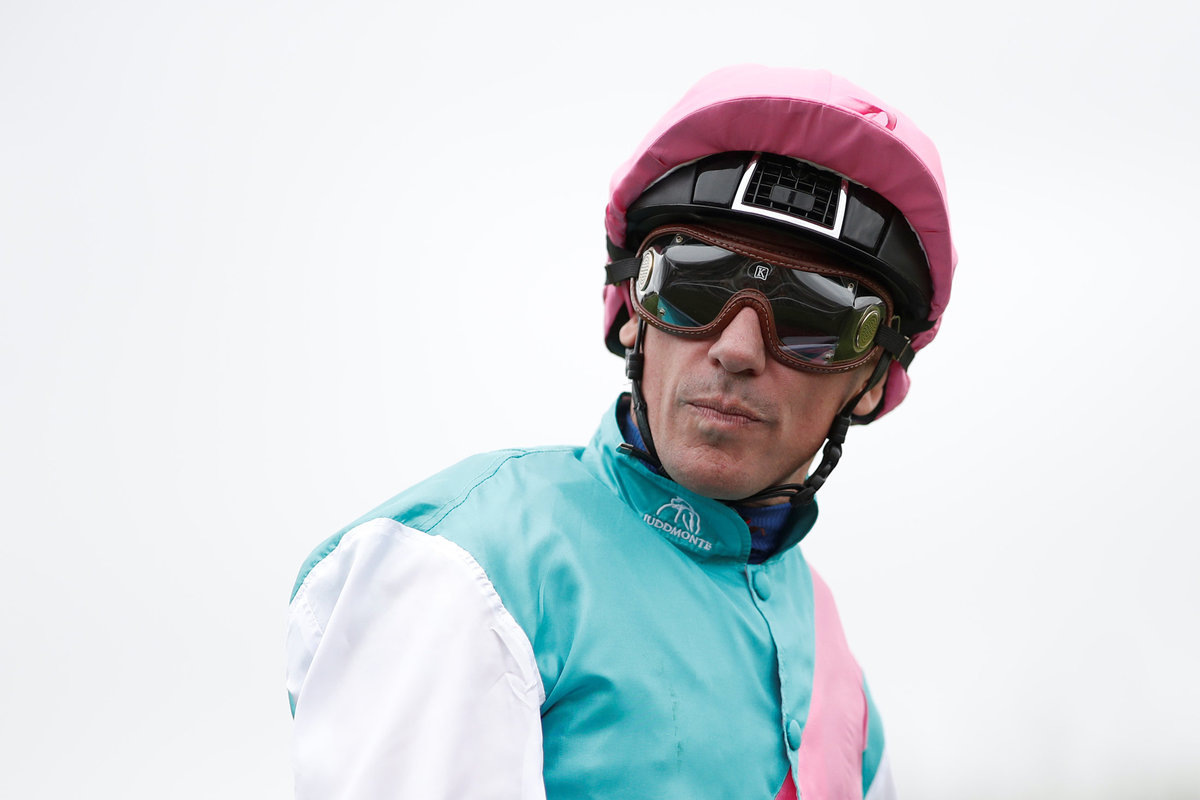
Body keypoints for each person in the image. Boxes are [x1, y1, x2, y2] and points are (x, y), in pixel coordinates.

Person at [286, 64, 956, 800]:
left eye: (813, 318)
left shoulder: (835, 660)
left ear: (870, 381)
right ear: (633, 311)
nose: (737, 350)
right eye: (693, 282)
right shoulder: (465, 570)